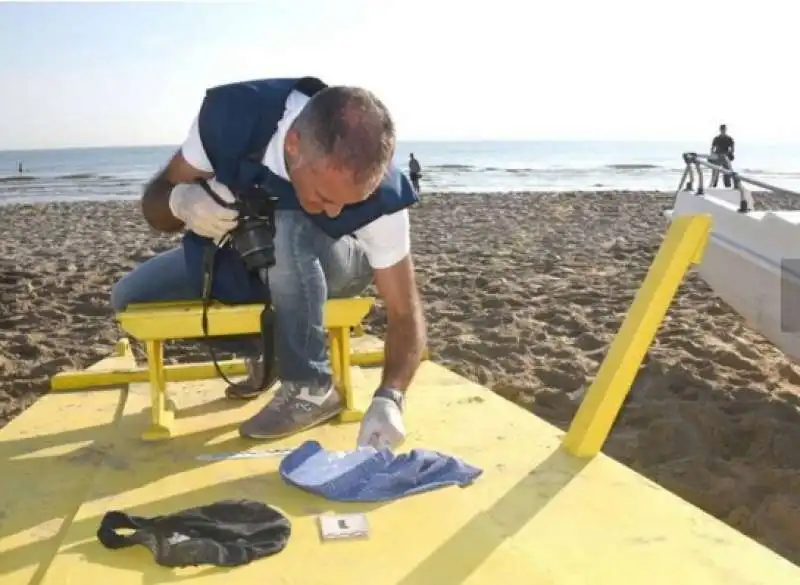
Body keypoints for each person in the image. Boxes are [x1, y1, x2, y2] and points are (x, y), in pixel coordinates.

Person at [110, 77, 427, 449]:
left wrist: (391, 397)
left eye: (352, 201)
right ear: (293, 145)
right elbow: (155, 206)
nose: (337, 211)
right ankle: (268, 351)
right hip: (246, 257)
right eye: (325, 195)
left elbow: (406, 311)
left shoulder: (381, 194)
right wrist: (181, 201)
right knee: (130, 298)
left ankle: (311, 387)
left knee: (288, 225)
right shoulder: (230, 120)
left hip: (338, 264)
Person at [710, 124, 735, 188]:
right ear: (720, 130)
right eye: (722, 129)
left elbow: (732, 149)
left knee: (726, 173)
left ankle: (728, 186)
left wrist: (729, 154)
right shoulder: (716, 138)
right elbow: (712, 148)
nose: (723, 130)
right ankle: (713, 186)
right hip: (717, 156)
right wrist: (712, 155)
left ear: (725, 130)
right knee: (715, 172)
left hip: (725, 157)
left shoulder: (729, 139)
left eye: (724, 129)